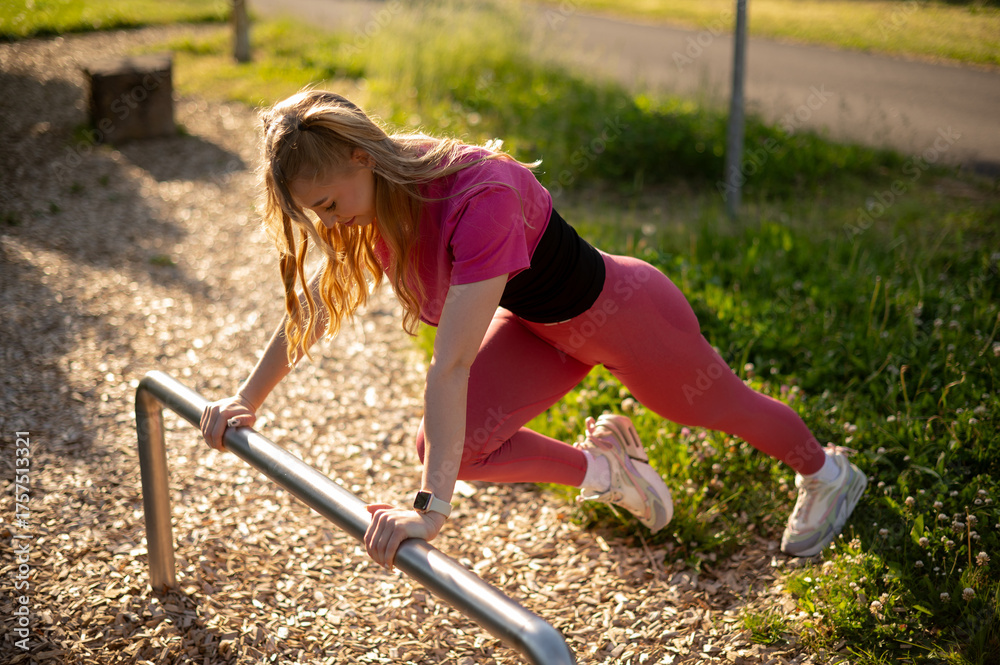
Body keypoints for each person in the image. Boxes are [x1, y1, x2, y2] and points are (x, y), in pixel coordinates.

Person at [199, 89, 867, 570]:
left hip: (625, 316)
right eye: (315, 216)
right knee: (454, 445)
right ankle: (610, 472)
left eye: (328, 206)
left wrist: (430, 510)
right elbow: (319, 304)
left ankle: (828, 471)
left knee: (715, 406)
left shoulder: (477, 195)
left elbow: (451, 364)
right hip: (545, 331)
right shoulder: (383, 203)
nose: (330, 225)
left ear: (358, 155)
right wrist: (247, 398)